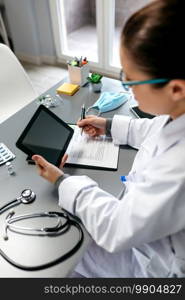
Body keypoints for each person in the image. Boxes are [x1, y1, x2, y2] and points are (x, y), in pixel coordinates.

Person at [32, 0, 185, 277]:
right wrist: (109, 124)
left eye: (131, 80)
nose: (126, 86)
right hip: (150, 240)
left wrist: (63, 182)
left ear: (175, 89)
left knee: (59, 259)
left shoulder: (179, 169)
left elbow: (116, 228)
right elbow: (156, 130)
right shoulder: (178, 112)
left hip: (158, 270)